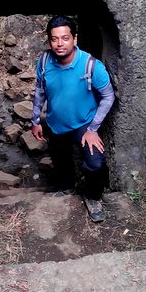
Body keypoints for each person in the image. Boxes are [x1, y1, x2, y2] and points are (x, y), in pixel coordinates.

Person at [30, 16, 115, 223]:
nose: (60, 44)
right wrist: (35, 120)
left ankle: (91, 195)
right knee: (61, 161)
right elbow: (40, 91)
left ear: (74, 39)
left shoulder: (91, 66)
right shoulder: (44, 62)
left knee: (95, 163)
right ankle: (66, 187)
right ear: (49, 41)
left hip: (84, 125)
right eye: (54, 39)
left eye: (65, 38)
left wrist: (93, 128)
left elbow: (108, 96)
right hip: (56, 123)